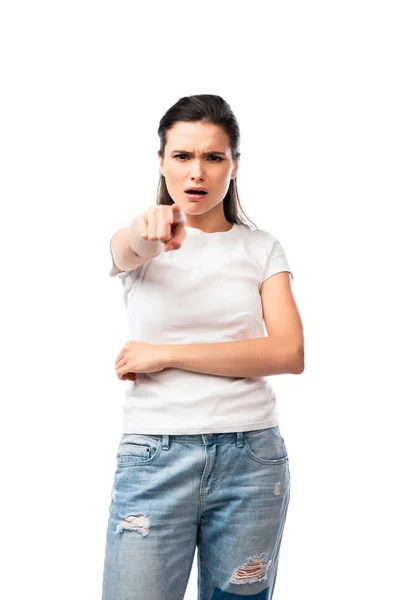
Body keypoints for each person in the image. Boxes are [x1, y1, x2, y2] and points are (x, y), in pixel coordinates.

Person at [101, 94, 304, 600]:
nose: (197, 172)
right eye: (183, 156)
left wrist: (166, 353)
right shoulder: (143, 242)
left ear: (234, 166)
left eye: (213, 157)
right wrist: (147, 231)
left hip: (251, 460)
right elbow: (132, 245)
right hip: (156, 456)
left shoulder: (261, 247)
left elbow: (288, 353)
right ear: (162, 162)